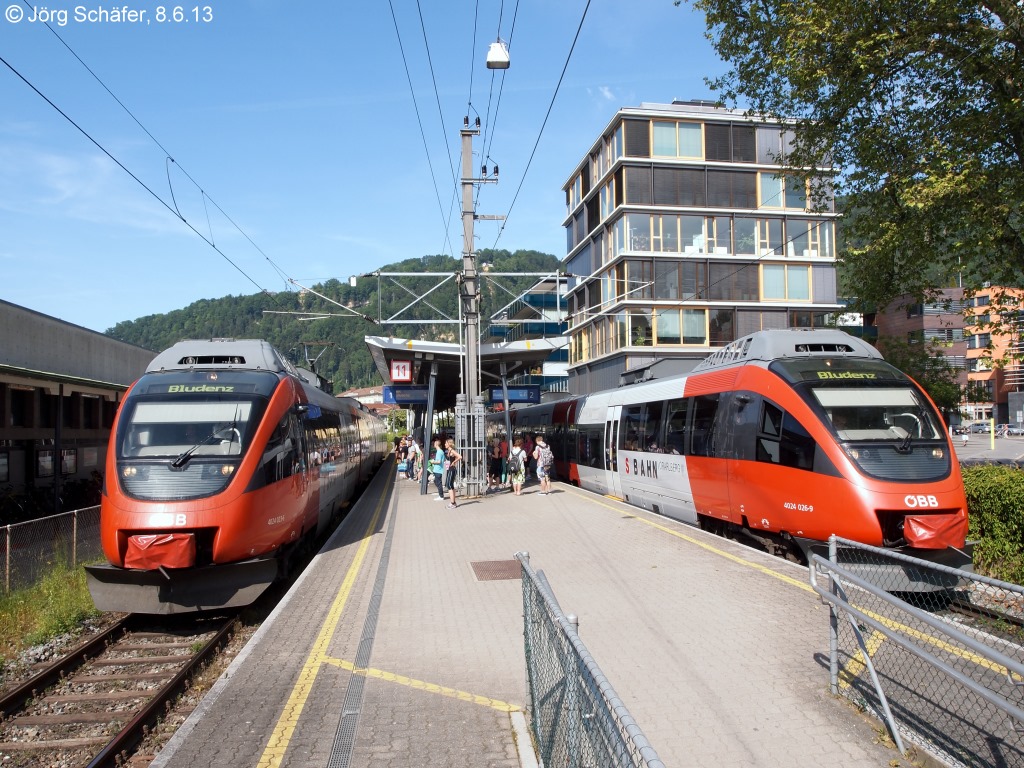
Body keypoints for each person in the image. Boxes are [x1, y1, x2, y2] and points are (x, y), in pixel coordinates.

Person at [443, 438, 462, 509]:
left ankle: (452, 503)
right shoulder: (448, 451)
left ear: (449, 444)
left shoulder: (452, 450)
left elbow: (460, 456)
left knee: (449, 485)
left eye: (446, 443)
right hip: (449, 469)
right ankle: (453, 502)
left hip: (452, 469)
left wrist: (454, 462)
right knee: (450, 485)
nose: (445, 444)